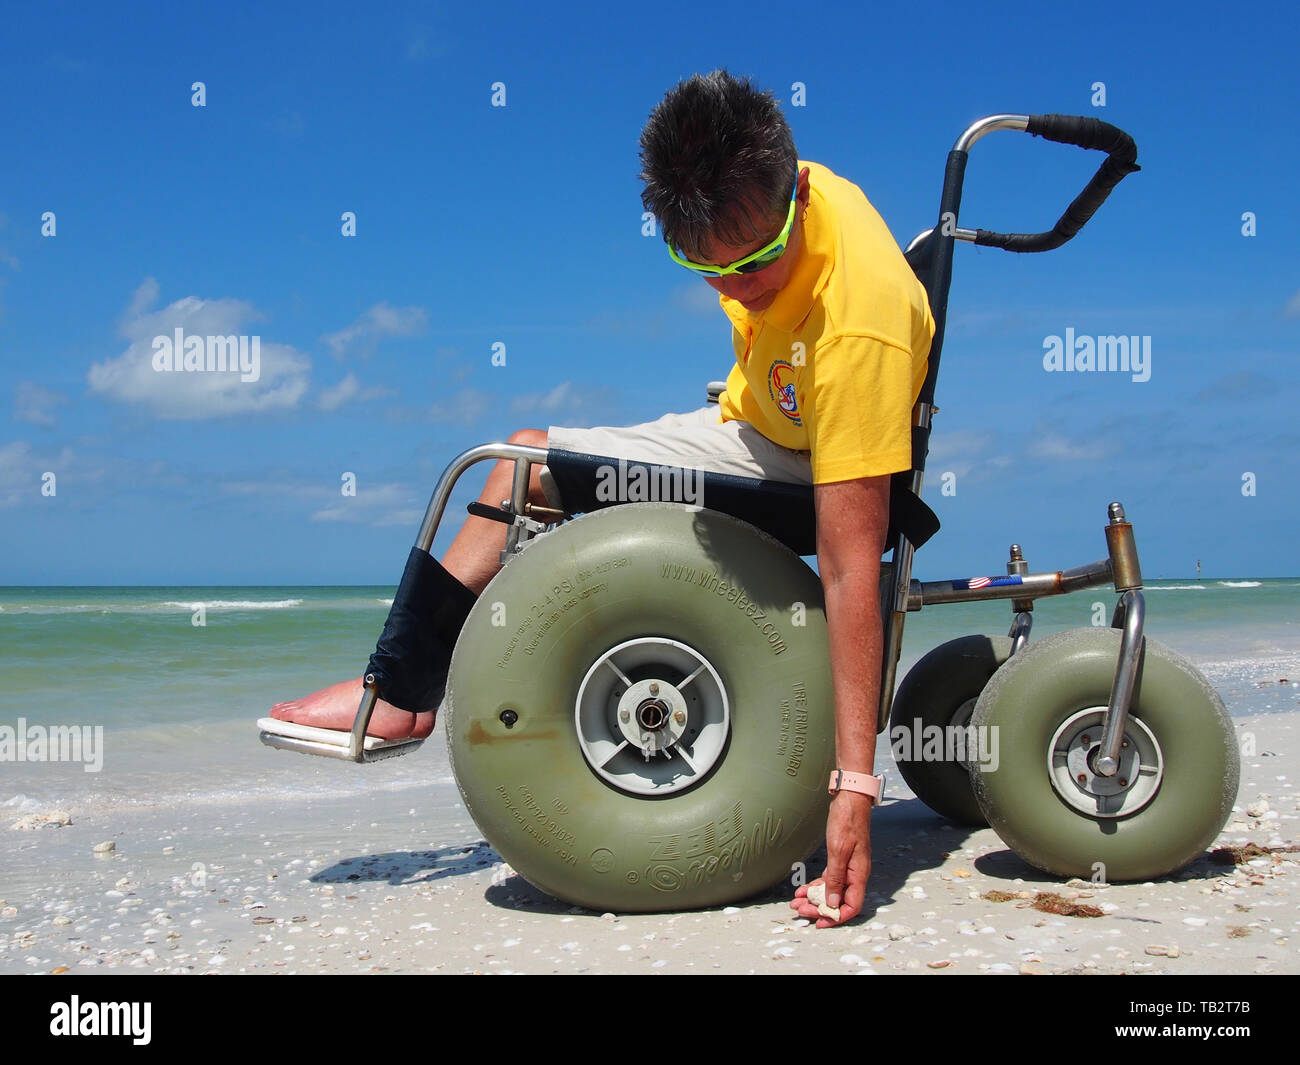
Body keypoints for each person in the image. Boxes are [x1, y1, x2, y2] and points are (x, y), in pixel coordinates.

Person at [271, 69, 933, 929]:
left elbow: (852, 568)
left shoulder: (858, 324)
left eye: (757, 262)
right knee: (532, 461)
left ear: (797, 194)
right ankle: (420, 683)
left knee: (519, 463)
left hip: (805, 465)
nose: (735, 286)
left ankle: (397, 692)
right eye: (704, 266)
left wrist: (854, 787)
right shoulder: (775, 184)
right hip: (761, 422)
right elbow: (742, 262)